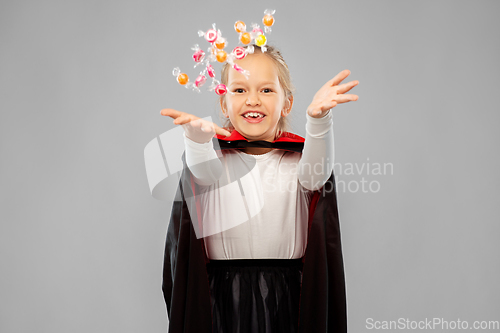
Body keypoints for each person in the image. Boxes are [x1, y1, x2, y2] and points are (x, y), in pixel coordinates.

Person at [160, 44, 359, 333]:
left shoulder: (298, 160)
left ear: (286, 104)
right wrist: (196, 142)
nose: (253, 100)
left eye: (266, 90)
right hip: (222, 295)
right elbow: (201, 172)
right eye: (239, 91)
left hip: (287, 293)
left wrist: (318, 121)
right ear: (224, 103)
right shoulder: (214, 159)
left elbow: (317, 176)